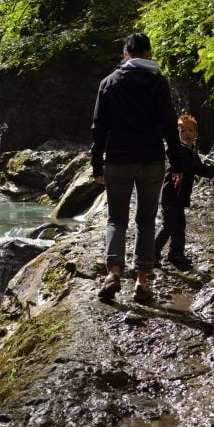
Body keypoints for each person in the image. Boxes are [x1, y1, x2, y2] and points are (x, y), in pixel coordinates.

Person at [91, 32, 183, 303]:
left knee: (116, 219)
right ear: (148, 53)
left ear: (126, 54)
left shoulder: (109, 82)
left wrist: (97, 164)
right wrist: (176, 162)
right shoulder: (157, 82)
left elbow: (98, 128)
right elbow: (169, 123)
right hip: (151, 160)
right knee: (146, 220)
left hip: (118, 159)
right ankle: (142, 282)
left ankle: (114, 274)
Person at [154, 114, 214, 268]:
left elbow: (200, 166)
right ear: (177, 135)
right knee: (168, 225)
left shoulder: (190, 151)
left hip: (178, 196)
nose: (187, 134)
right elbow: (197, 169)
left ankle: (176, 254)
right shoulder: (179, 152)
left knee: (179, 226)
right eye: (182, 131)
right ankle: (153, 254)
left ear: (196, 134)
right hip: (171, 195)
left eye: (190, 130)